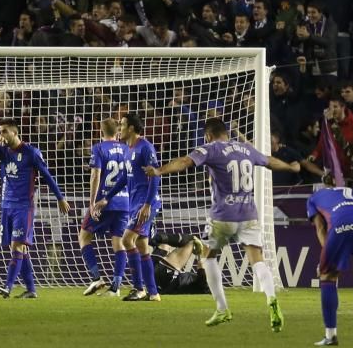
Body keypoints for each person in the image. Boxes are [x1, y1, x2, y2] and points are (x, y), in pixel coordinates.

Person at [147, 117, 301, 330]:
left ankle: (222, 308)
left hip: (223, 216)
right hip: (248, 214)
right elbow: (269, 161)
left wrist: (159, 171)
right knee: (258, 260)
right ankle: (271, 299)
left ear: (208, 135)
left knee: (208, 258)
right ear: (226, 133)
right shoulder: (246, 149)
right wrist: (291, 168)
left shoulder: (211, 148)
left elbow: (184, 162)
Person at [0, 118, 71, 299]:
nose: (1, 134)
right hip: (6, 206)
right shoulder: (2, 151)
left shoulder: (31, 152)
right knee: (19, 248)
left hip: (23, 207)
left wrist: (60, 198)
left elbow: (47, 175)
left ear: (14, 132)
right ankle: (31, 290)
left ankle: (7, 287)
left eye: (4, 131)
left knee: (17, 246)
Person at [92, 113, 163, 301]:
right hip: (135, 203)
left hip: (145, 203)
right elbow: (124, 177)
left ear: (131, 128)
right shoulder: (128, 149)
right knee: (141, 245)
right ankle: (153, 293)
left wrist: (147, 204)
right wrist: (106, 198)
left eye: (122, 124)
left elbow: (155, 175)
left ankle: (139, 288)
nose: (119, 128)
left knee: (126, 239)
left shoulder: (145, 148)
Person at [306, 180, 353, 347]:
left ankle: (330, 335)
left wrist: (326, 258)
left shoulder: (314, 197)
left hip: (342, 222)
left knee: (328, 276)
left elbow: (320, 228)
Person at [79, 118, 130, 296]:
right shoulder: (126, 148)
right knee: (118, 242)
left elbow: (96, 175)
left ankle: (96, 278)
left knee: (84, 236)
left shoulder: (99, 148)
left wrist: (92, 203)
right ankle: (115, 287)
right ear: (117, 131)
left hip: (105, 202)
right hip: (125, 202)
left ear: (101, 130)